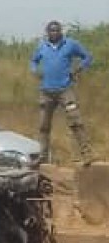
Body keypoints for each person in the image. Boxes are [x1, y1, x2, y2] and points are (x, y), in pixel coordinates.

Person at [31, 21, 94, 165]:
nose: (54, 33)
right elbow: (33, 61)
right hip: (46, 92)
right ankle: (43, 157)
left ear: (61, 31)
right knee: (43, 126)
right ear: (47, 32)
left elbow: (87, 56)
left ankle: (87, 154)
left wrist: (78, 69)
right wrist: (35, 70)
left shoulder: (70, 44)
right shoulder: (42, 46)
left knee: (75, 121)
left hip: (65, 90)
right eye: (51, 30)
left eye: (56, 30)